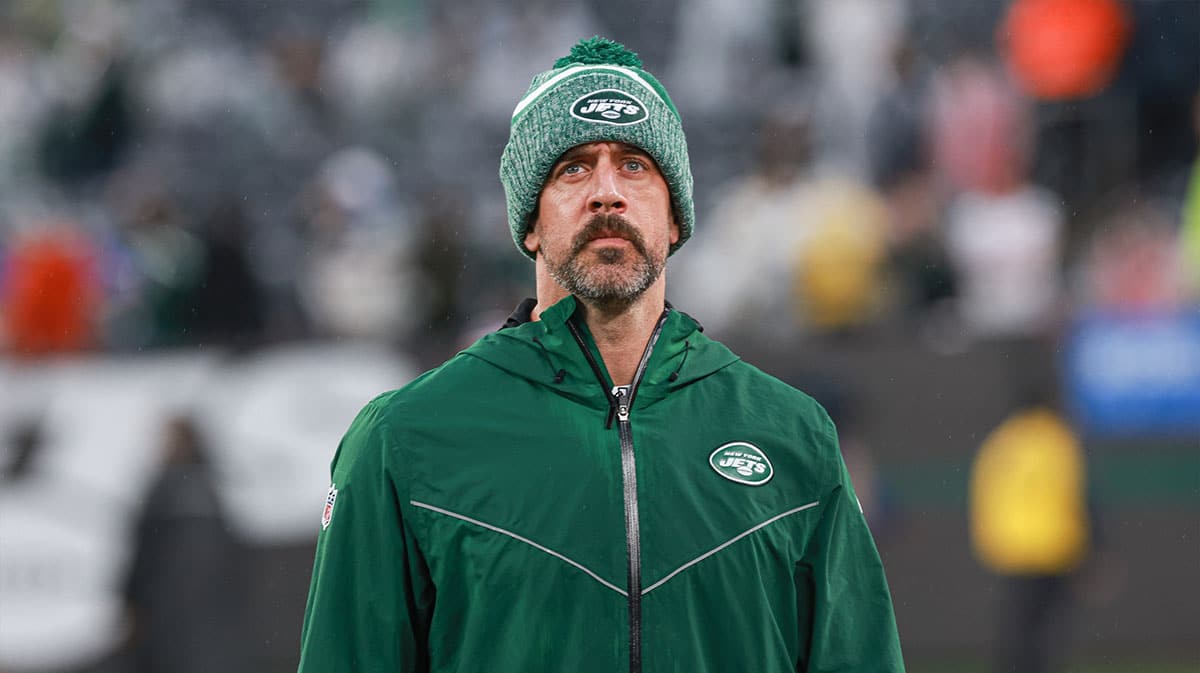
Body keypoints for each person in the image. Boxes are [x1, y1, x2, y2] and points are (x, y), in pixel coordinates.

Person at [296, 37, 904, 672]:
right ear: (530, 223)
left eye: (635, 165)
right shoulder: (404, 441)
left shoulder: (794, 438)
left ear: (675, 218)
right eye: (573, 168)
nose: (607, 192)